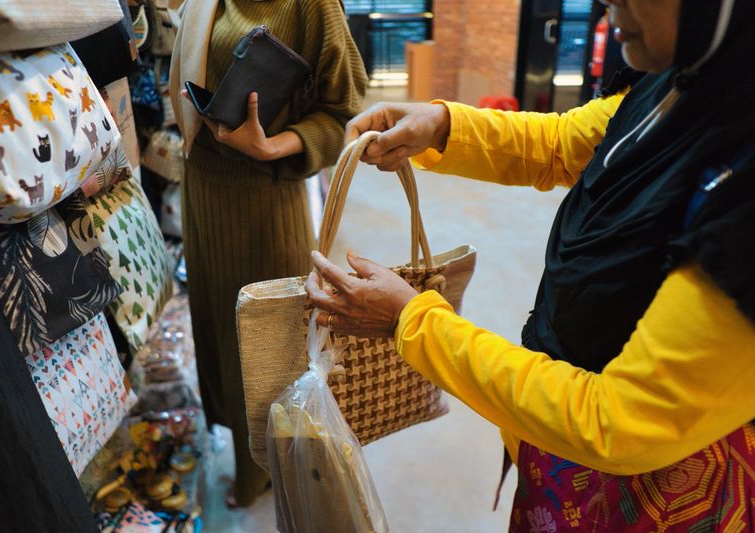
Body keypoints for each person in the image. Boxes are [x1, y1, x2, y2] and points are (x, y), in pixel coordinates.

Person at [307, 0, 755, 529]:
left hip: (648, 490)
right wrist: (442, 124)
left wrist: (414, 322)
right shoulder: (686, 78)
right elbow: (568, 143)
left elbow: (619, 421)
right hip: (555, 428)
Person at [170, 0, 367, 507]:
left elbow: (345, 111)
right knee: (216, 328)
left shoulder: (311, 5)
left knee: (264, 350)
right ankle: (243, 452)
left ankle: (266, 469)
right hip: (204, 188)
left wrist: (273, 147)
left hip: (262, 199)